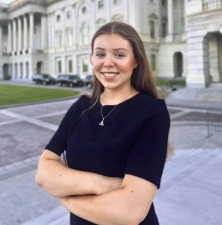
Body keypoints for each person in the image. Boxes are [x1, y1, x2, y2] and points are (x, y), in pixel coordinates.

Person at [36, 22, 171, 225]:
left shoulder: (152, 113)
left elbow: (130, 211)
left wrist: (68, 196)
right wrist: (101, 184)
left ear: (135, 61)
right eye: (100, 54)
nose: (108, 62)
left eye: (119, 54)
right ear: (92, 59)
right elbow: (43, 174)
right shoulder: (80, 107)